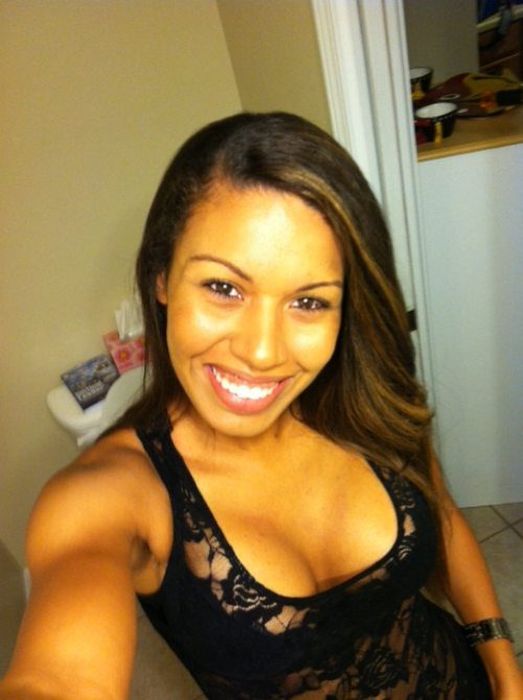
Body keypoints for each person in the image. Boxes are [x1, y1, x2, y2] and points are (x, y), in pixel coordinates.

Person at [1, 112, 521, 700]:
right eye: (224, 288)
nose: (262, 351)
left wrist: (503, 666)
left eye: (308, 302)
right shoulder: (109, 496)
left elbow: (443, 517)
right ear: (162, 278)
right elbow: (56, 677)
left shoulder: (368, 400)